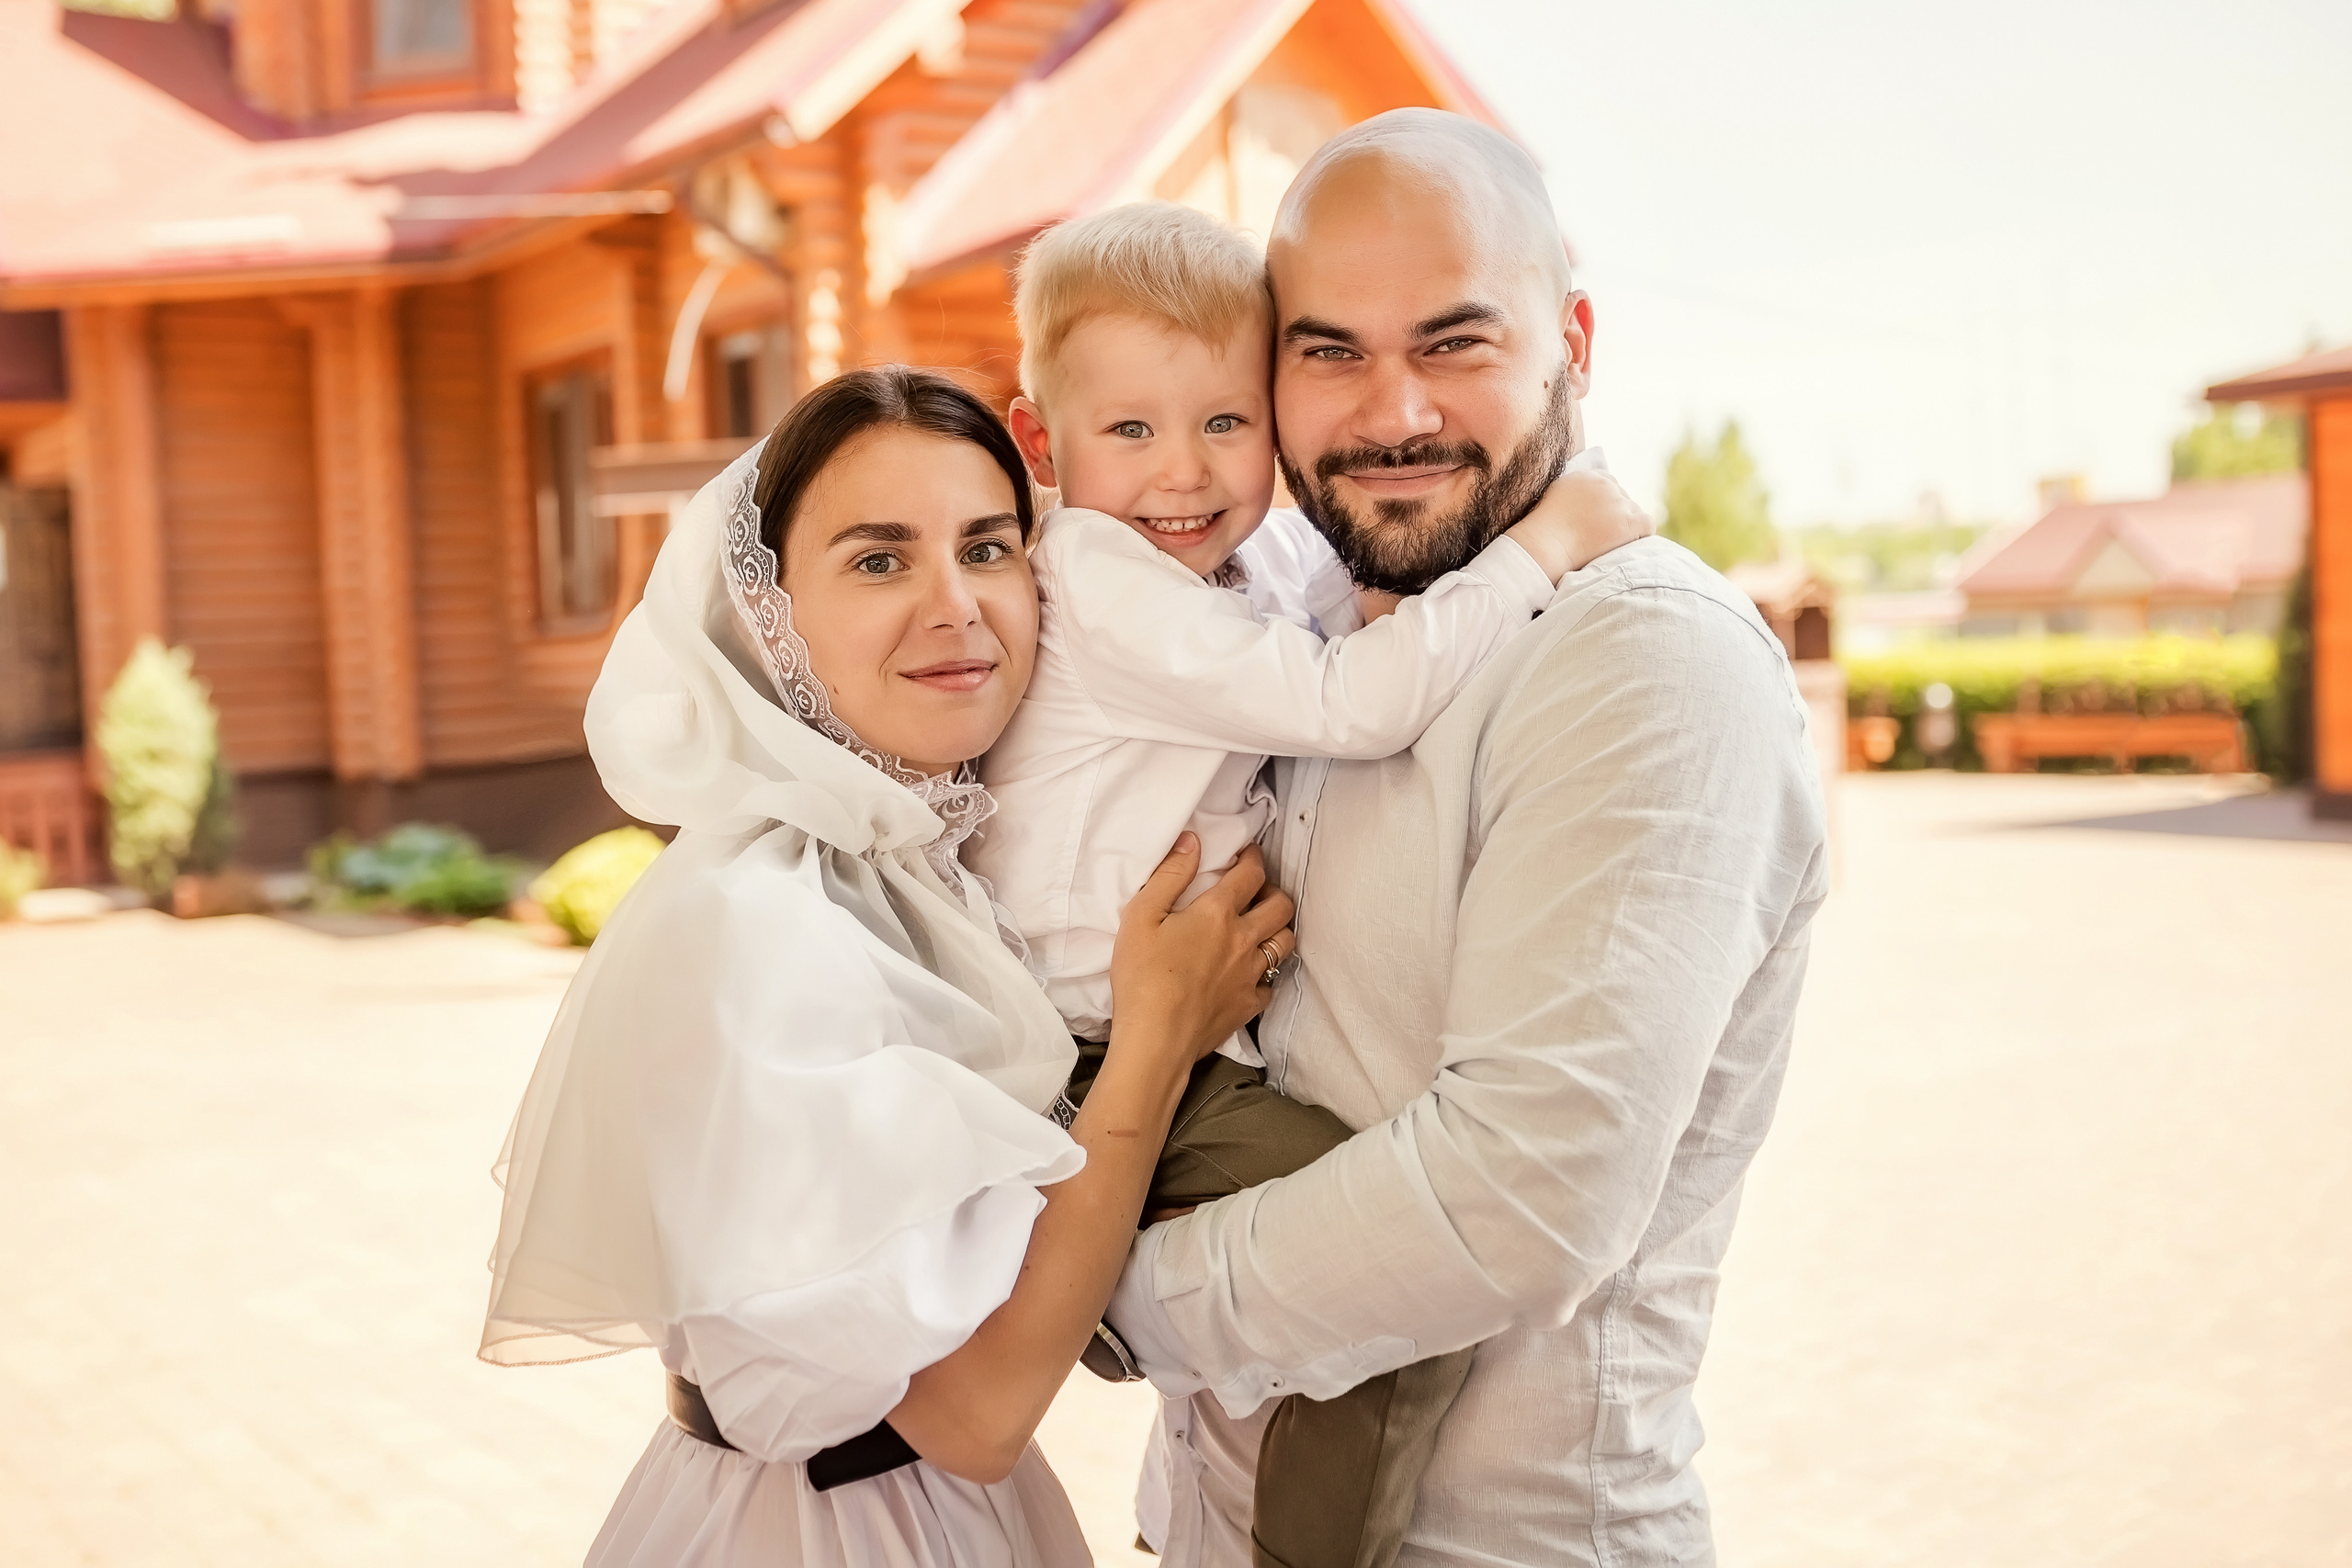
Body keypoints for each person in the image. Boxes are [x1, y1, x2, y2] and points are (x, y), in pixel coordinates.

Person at [1102, 111, 1832, 1565]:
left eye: (1453, 343)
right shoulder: (1296, 634)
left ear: (1570, 338)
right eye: (1330, 351)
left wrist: (1091, 1288)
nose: (1393, 412)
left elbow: (1522, 1194)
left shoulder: (1639, 658)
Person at [478, 366, 1295, 1566]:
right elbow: (969, 1411)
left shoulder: (916, 869)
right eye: (878, 559)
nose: (956, 603)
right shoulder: (753, 925)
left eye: (989, 546)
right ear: (769, 618)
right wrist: (1159, 1038)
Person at [964, 200, 1652, 1568]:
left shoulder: (1242, 551)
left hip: (1168, 1032)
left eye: (1225, 423)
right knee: (1389, 1297)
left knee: (1352, 1292)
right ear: (1043, 442)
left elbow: (1350, 609)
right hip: (1091, 1056)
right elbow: (1350, 702)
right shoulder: (1101, 571)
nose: (1185, 474)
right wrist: (1548, 541)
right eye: (1132, 431)